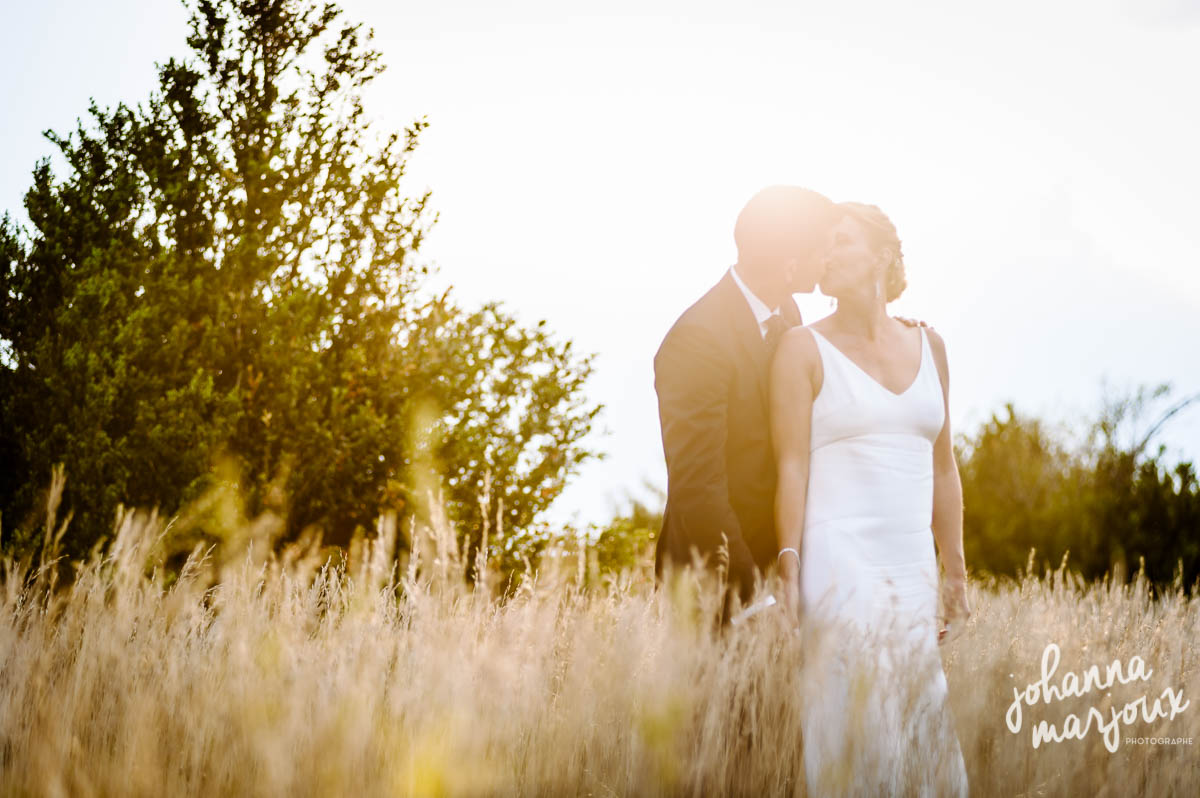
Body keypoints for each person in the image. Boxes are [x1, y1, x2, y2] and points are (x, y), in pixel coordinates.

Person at [771, 201, 971, 795]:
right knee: (857, 727)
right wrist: (788, 562)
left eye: (841, 241)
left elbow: (943, 465)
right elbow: (790, 463)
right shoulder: (799, 350)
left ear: (882, 255)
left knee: (923, 726)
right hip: (838, 563)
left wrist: (955, 571)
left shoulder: (931, 345)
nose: (825, 256)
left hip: (912, 566)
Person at [652, 185, 836, 624]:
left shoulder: (787, 313)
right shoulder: (697, 340)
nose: (828, 258)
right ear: (791, 263)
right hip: (714, 582)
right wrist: (755, 595)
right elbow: (698, 487)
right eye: (822, 248)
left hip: (777, 564)